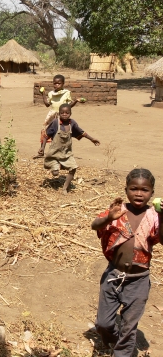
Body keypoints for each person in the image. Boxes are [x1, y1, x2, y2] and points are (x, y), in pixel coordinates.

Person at [91, 169, 163, 357]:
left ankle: (123, 352)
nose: (139, 193)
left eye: (144, 190)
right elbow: (94, 225)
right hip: (113, 276)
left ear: (152, 193)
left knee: (129, 327)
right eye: (134, 189)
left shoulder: (154, 216)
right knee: (103, 324)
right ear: (126, 190)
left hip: (138, 280)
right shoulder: (118, 210)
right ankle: (117, 341)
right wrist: (109, 218)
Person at [40, 103, 100, 194]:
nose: (64, 114)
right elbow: (46, 136)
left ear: (70, 114)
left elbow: (82, 132)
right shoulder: (55, 123)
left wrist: (92, 139)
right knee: (55, 173)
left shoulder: (72, 123)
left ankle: (65, 188)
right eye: (62, 113)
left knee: (73, 168)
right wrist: (42, 148)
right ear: (59, 113)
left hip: (66, 152)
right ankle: (56, 165)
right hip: (54, 153)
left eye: (67, 113)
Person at [37, 74, 85, 157]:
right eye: (55, 83)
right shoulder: (51, 93)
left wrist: (76, 101)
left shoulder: (67, 93)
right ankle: (42, 149)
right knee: (45, 130)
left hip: (62, 115)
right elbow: (47, 104)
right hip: (52, 114)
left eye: (59, 83)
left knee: (59, 132)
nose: (56, 85)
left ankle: (58, 151)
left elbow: (68, 106)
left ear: (63, 84)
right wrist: (43, 94)